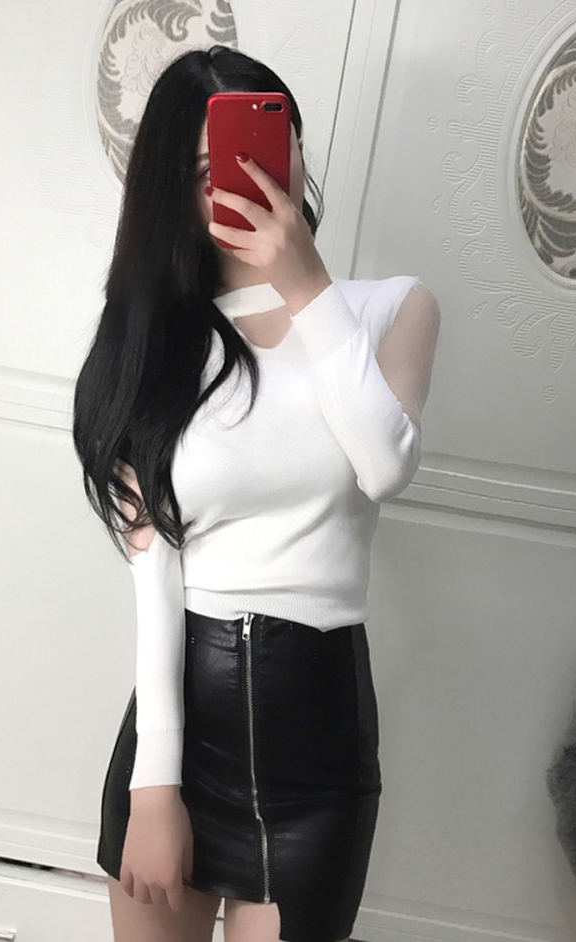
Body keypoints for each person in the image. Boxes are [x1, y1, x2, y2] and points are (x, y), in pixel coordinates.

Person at [73, 43, 441, 942]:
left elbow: (384, 466)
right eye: (206, 173)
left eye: (265, 153)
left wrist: (303, 280)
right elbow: (155, 570)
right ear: (171, 190)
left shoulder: (388, 310)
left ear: (295, 152)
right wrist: (154, 785)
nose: (240, 185)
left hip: (318, 744)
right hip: (179, 730)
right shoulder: (154, 342)